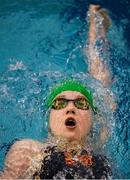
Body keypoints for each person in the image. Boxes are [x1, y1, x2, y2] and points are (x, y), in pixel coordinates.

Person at [0, 4, 113, 179]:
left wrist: (95, 25)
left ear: (93, 117)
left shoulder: (100, 147)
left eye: (81, 103)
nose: (70, 108)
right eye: (59, 103)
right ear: (49, 118)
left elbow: (102, 80)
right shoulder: (29, 153)